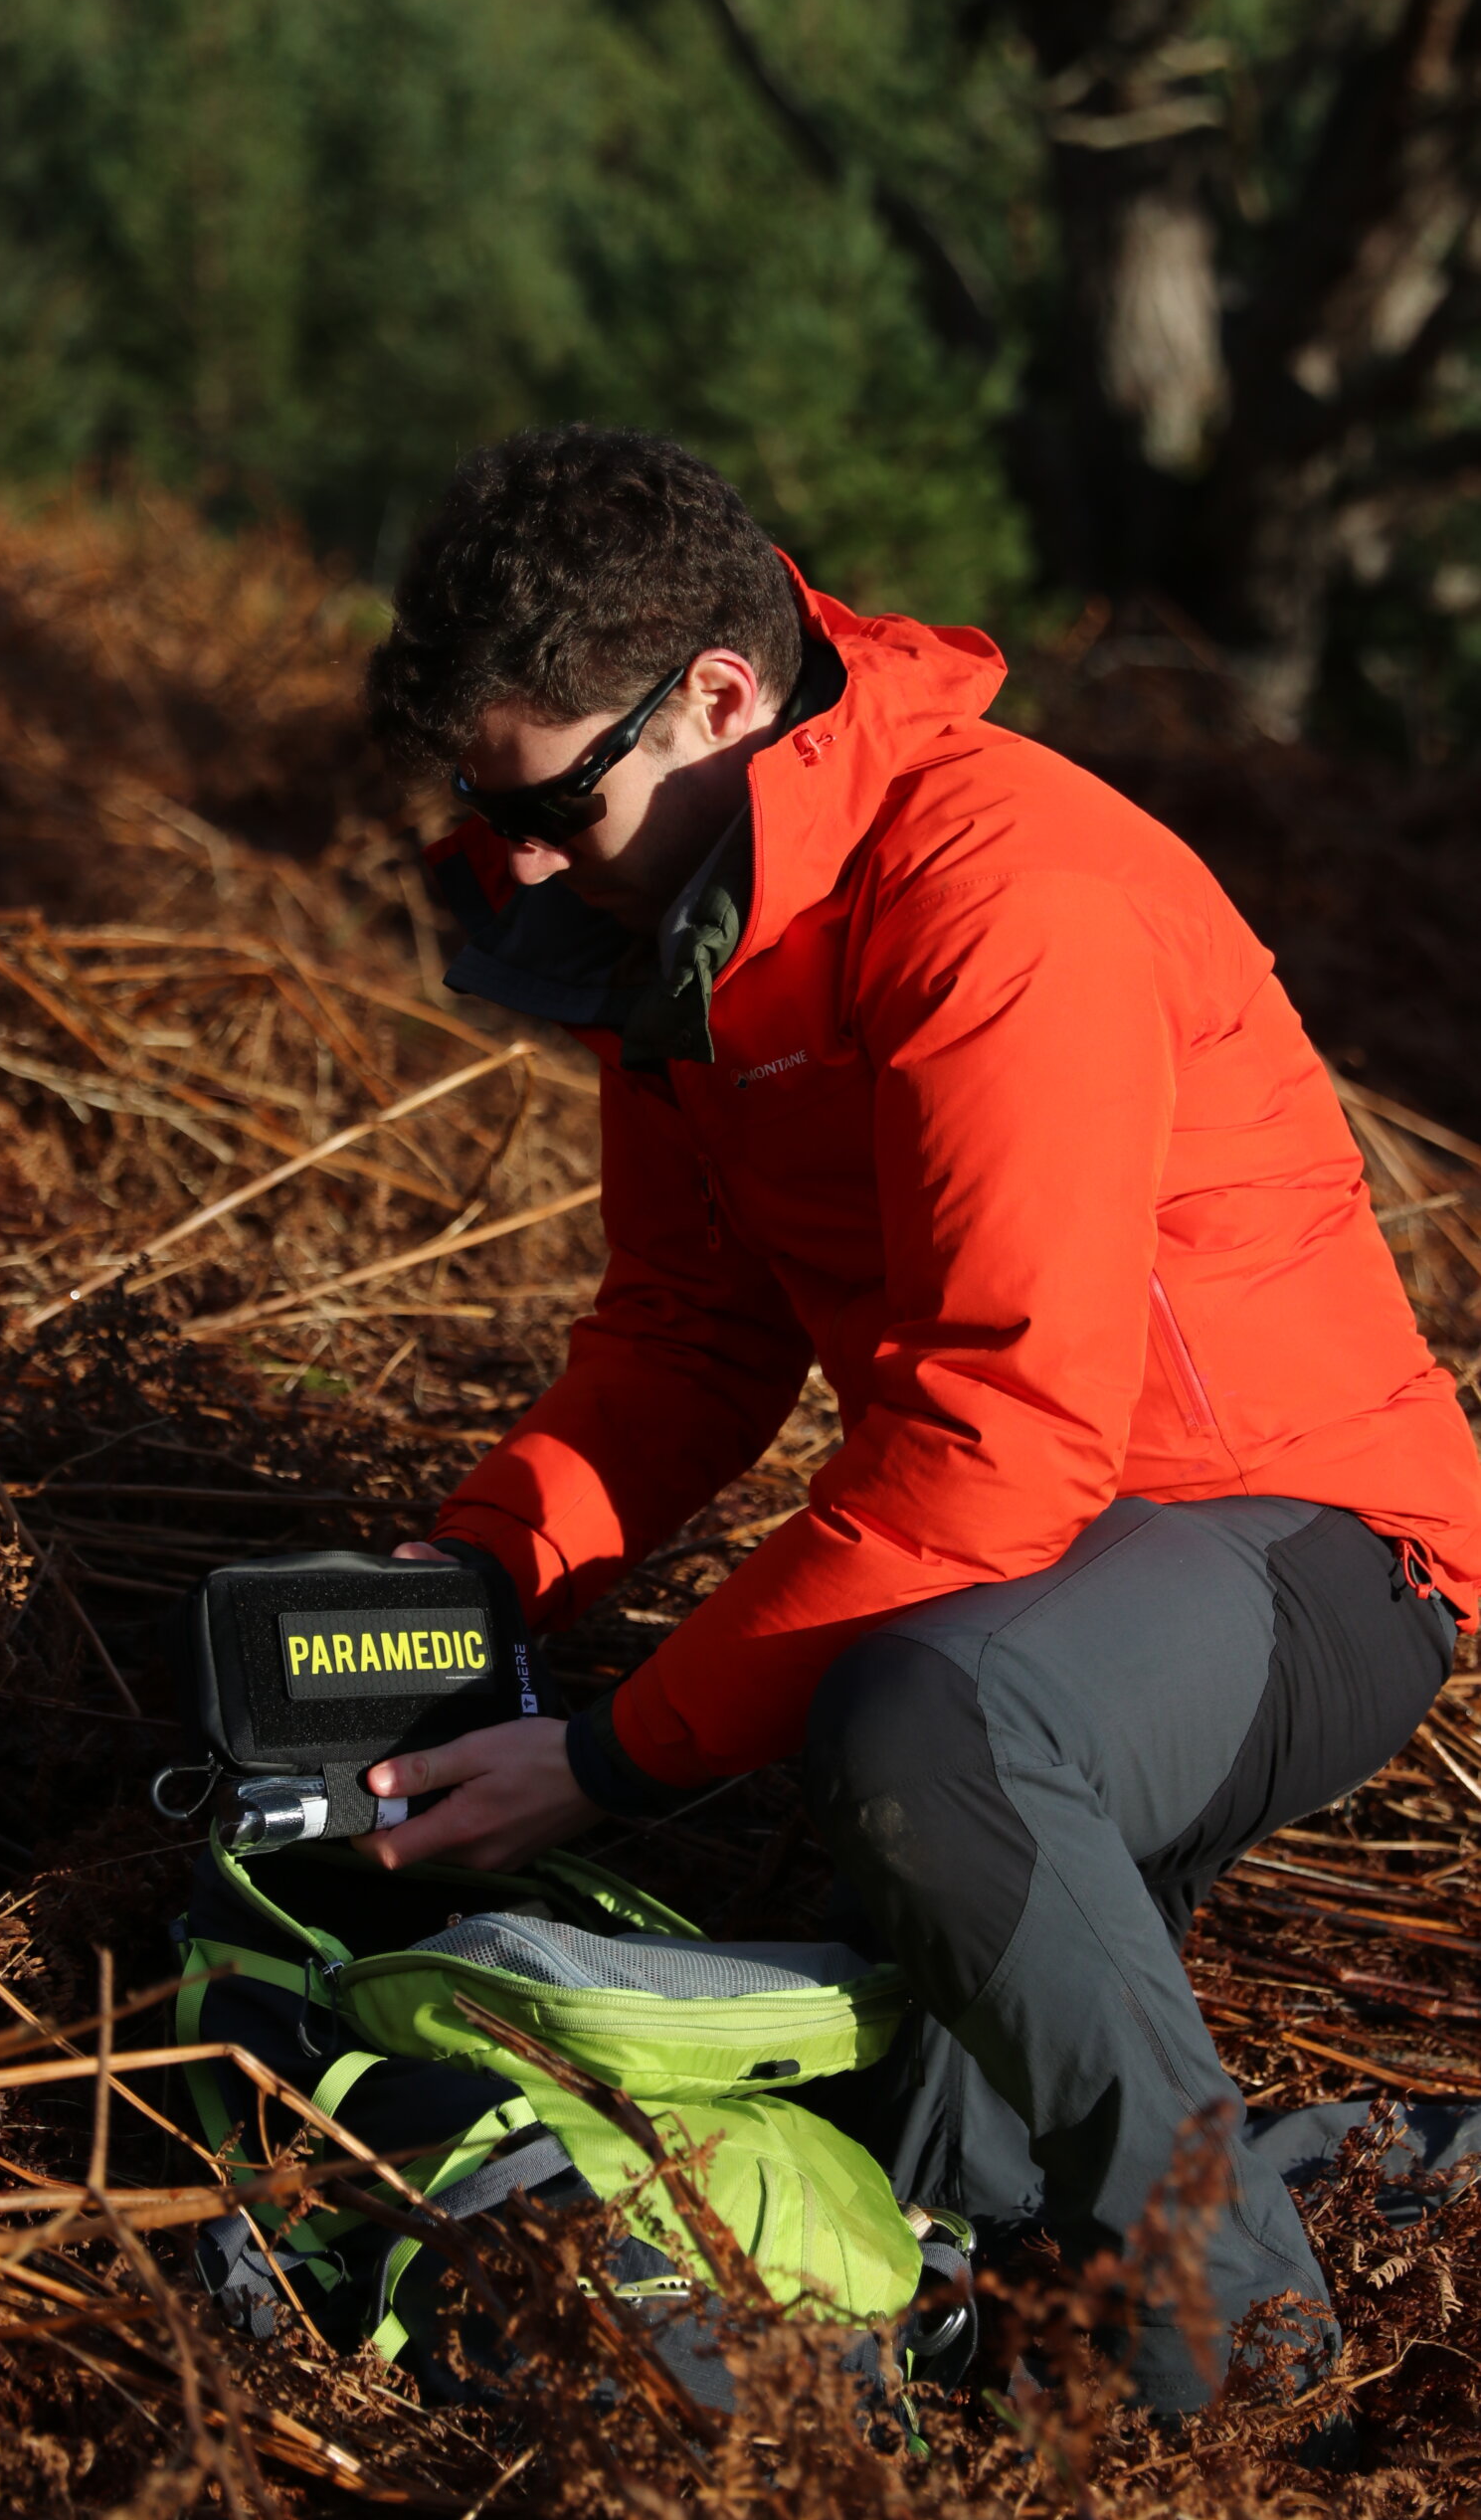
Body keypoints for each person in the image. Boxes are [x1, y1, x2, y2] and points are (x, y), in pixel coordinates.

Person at [355, 424, 1481, 2411]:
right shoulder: (681, 935)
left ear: (713, 694)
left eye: (543, 796)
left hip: (1300, 1549)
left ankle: (1242, 2357)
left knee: (926, 1720)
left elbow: (1004, 1430)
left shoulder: (1000, 891)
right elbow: (690, 1340)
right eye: (473, 795)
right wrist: (467, 1565)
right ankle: (1087, 2285)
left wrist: (611, 1755)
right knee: (967, 2194)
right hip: (1043, 1584)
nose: (511, 851)